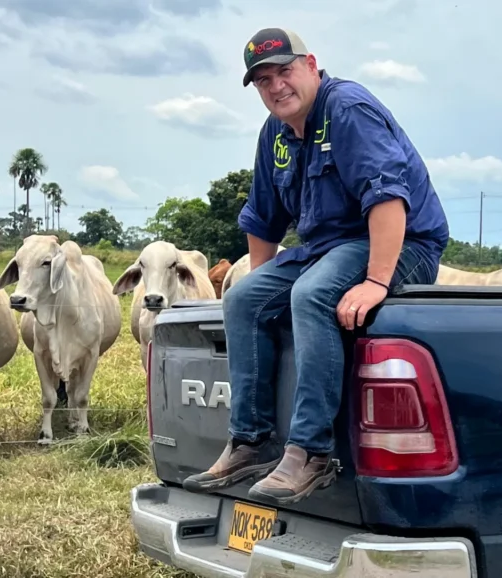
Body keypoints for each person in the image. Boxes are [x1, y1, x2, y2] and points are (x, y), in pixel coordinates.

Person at [182, 28, 449, 505]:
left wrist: (375, 281)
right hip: (327, 248)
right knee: (242, 297)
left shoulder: (346, 110)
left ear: (311, 65)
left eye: (284, 71)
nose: (276, 86)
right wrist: (262, 290)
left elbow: (388, 196)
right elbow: (264, 218)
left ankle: (310, 451)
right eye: (263, 81)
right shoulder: (277, 134)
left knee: (313, 293)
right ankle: (250, 439)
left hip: (399, 243)